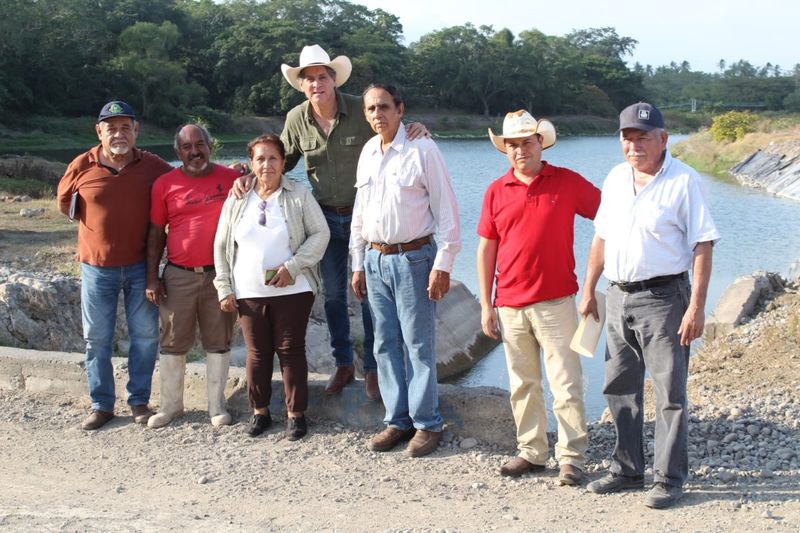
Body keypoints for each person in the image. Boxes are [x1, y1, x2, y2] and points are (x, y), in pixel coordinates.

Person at [579, 102, 719, 509]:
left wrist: (696, 306)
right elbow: (601, 236)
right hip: (618, 294)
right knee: (619, 386)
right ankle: (626, 469)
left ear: (663, 139)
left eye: (643, 136)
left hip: (664, 299)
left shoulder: (685, 181)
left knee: (669, 391)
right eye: (627, 137)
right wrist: (589, 287)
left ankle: (669, 479)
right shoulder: (615, 179)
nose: (634, 144)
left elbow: (702, 245)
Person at [276, 44, 429, 399]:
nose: (317, 84)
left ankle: (374, 369)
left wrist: (418, 127)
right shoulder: (296, 119)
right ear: (301, 85)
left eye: (322, 77)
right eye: (309, 79)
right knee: (332, 297)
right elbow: (280, 160)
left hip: (366, 218)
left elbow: (392, 128)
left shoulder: (361, 111)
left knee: (369, 297)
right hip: (324, 220)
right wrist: (246, 171)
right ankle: (343, 363)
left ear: (333, 79)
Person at [477, 110, 600, 485]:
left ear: (540, 143)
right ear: (505, 149)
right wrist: (486, 304)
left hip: (557, 302)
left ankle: (571, 457)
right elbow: (486, 249)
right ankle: (532, 452)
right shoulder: (496, 190)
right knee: (523, 384)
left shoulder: (566, 182)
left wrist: (597, 280)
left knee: (566, 383)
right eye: (512, 145)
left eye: (526, 143)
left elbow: (610, 218)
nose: (519, 151)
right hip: (510, 304)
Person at [350, 84, 461, 458]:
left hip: (414, 258)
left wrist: (443, 264)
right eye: (370, 109)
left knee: (418, 344)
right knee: (383, 343)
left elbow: (447, 212)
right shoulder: (367, 152)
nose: (377, 115)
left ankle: (427, 423)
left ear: (400, 109)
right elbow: (359, 214)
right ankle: (396, 420)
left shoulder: (423, 150)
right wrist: (358, 262)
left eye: (384, 107)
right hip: (376, 259)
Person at [56, 101, 173, 430]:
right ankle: (101, 404)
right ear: (99, 132)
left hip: (140, 267)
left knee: (146, 336)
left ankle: (138, 401)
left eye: (125, 127)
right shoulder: (81, 165)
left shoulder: (153, 165)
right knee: (97, 339)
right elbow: (66, 204)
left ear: (136, 130)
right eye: (111, 128)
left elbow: (185, 183)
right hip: (96, 268)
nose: (119, 134)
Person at [214, 134, 330, 441]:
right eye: (260, 159)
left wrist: (292, 267)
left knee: (291, 350)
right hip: (249, 291)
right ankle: (260, 412)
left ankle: (296, 415)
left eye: (273, 158)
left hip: (294, 289)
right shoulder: (238, 197)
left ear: (283, 163)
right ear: (251, 163)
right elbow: (222, 243)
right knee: (257, 353)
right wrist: (224, 286)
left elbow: (321, 234)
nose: (267, 165)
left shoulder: (298, 195)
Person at [145, 124, 241, 428]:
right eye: (187, 147)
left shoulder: (231, 178)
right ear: (178, 152)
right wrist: (152, 277)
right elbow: (156, 233)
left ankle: (216, 406)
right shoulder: (164, 184)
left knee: (219, 340)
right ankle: (171, 406)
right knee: (172, 339)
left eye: (200, 144)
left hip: (220, 275)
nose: (195, 151)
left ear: (210, 146)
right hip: (178, 275)